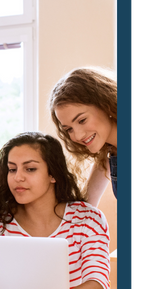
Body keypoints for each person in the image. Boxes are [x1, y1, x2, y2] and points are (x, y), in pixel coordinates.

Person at [0, 132, 110, 289]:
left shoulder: (87, 220)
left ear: (53, 174)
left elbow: (97, 287)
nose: (17, 177)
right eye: (12, 169)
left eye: (30, 169)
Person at [49, 67, 117, 207]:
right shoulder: (109, 151)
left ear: (106, 104)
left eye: (82, 120)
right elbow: (87, 206)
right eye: (69, 129)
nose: (78, 135)